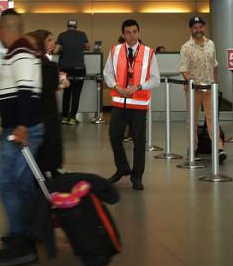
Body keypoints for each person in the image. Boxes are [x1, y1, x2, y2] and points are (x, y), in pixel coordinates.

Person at [0, 9, 44, 266]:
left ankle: (22, 240)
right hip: (20, 128)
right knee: (21, 186)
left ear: (5, 29)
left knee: (5, 183)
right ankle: (24, 233)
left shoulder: (20, 49)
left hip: (23, 130)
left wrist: (20, 125)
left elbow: (25, 88)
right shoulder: (20, 51)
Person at [103, 19, 160, 191]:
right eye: (128, 32)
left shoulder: (148, 52)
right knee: (114, 136)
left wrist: (139, 86)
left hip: (138, 104)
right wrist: (116, 87)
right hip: (120, 103)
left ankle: (137, 177)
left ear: (139, 32)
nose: (131, 35)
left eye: (134, 31)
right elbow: (108, 74)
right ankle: (122, 168)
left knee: (139, 142)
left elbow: (155, 79)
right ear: (123, 34)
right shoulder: (115, 51)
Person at [179, 16, 225, 158]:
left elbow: (215, 65)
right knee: (192, 119)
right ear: (191, 29)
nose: (198, 30)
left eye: (200, 27)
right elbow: (183, 70)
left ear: (203, 28)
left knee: (212, 119)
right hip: (194, 90)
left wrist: (215, 83)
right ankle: (193, 147)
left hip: (209, 88)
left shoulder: (211, 44)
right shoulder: (186, 47)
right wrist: (190, 80)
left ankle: (218, 148)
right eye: (195, 27)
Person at [30, 29, 69, 178]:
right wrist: (60, 80)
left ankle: (50, 169)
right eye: (50, 40)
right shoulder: (46, 65)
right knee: (49, 140)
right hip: (47, 108)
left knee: (50, 140)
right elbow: (52, 85)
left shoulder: (41, 61)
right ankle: (48, 169)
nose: (53, 43)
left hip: (42, 108)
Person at [55, 20, 89, 125]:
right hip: (79, 68)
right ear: (76, 26)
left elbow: (56, 51)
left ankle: (64, 117)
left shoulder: (62, 35)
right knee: (76, 94)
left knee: (66, 93)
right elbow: (88, 47)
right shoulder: (82, 34)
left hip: (65, 69)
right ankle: (73, 118)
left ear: (67, 26)